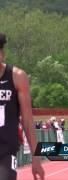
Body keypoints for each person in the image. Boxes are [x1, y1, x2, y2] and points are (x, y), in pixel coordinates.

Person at [0, 33, 45, 180]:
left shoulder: (17, 77)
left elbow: (27, 119)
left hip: (5, 151)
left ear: (2, 54)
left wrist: (35, 156)